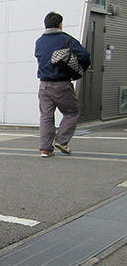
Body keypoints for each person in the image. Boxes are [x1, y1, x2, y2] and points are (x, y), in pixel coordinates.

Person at [35, 12, 91, 157]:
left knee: (46, 116)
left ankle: (45, 149)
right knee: (72, 111)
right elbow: (85, 55)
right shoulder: (66, 39)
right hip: (61, 84)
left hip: (43, 85)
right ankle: (62, 140)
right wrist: (79, 69)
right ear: (60, 24)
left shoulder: (39, 41)